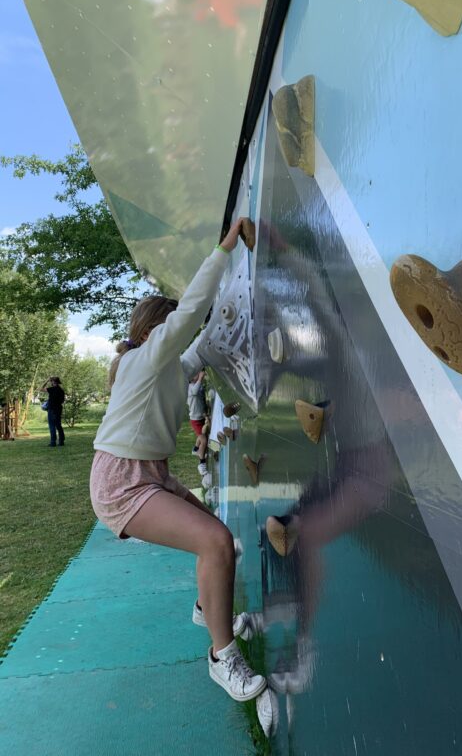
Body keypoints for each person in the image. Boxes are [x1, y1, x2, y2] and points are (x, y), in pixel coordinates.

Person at [89, 218, 266, 702]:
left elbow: (202, 348)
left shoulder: (168, 367)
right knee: (216, 541)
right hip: (122, 481)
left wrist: (237, 303)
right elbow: (190, 315)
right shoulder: (141, 360)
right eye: (171, 330)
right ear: (153, 332)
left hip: (151, 473)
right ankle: (222, 658)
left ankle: (207, 608)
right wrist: (225, 250)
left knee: (217, 539)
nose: (179, 337)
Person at [188, 369, 210, 475]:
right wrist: (200, 378)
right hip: (195, 420)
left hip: (200, 417)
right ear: (190, 378)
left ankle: (196, 449)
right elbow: (195, 392)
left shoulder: (198, 385)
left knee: (202, 435)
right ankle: (201, 464)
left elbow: (201, 400)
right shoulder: (189, 387)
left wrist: (205, 413)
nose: (198, 374)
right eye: (196, 373)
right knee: (204, 440)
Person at [40, 376, 65, 447]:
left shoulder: (52, 389)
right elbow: (62, 400)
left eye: (51, 381)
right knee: (58, 425)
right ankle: (61, 441)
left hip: (52, 409)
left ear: (54, 382)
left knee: (52, 426)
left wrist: (46, 381)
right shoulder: (61, 390)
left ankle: (53, 442)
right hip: (59, 409)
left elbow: (41, 389)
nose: (51, 382)